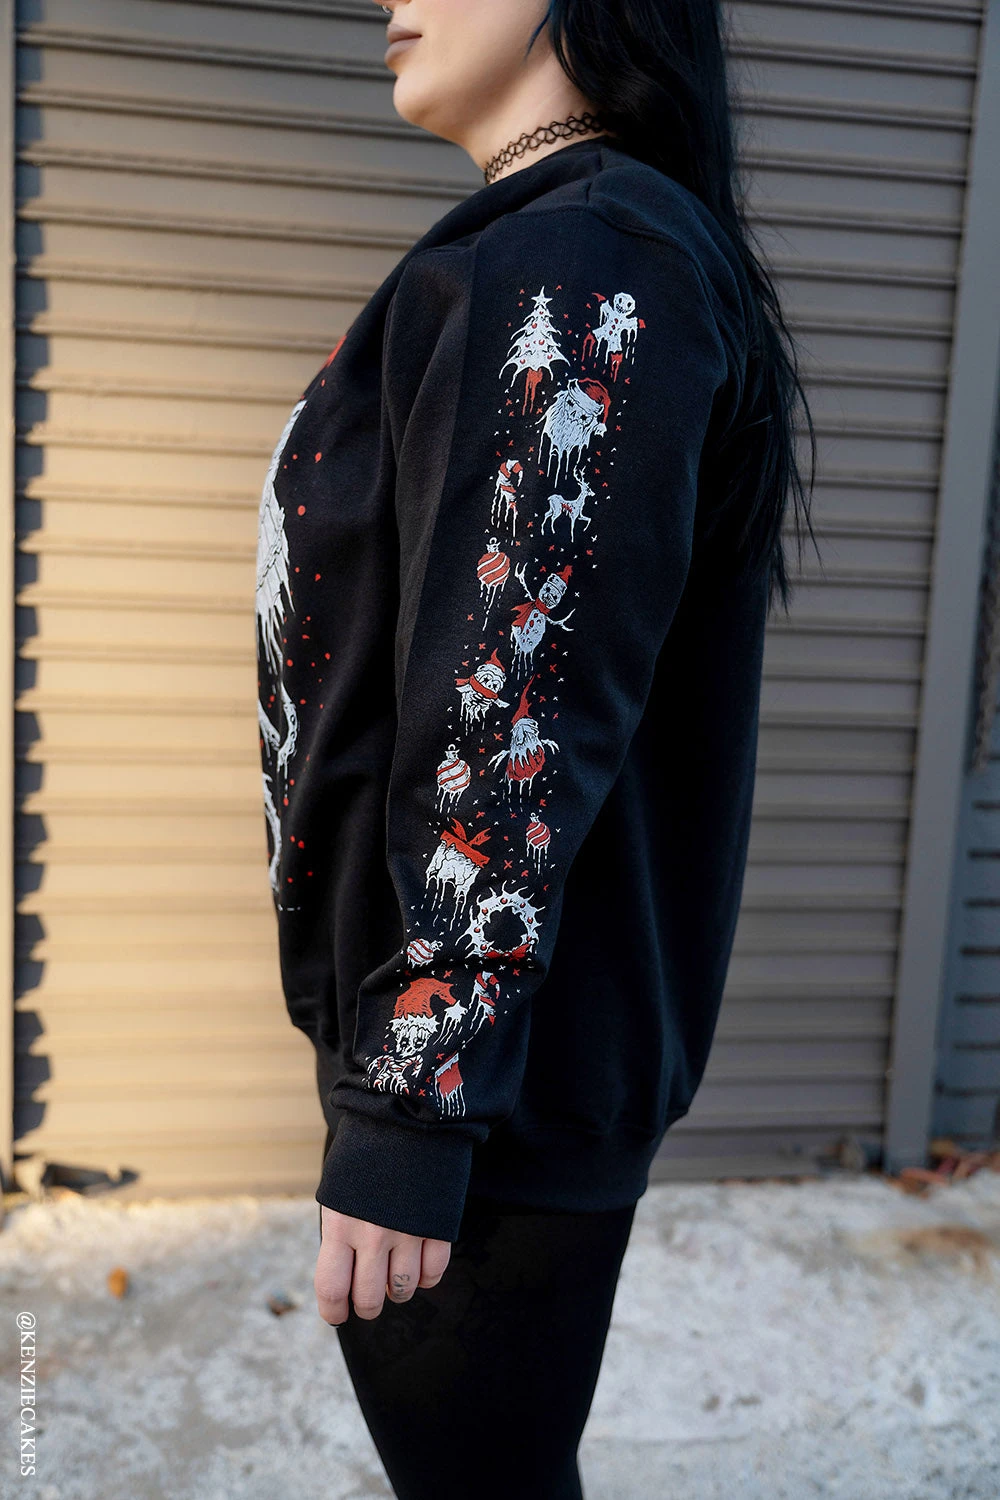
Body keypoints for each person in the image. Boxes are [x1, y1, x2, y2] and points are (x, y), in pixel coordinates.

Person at [254, 1, 815, 1495]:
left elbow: (513, 711)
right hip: (481, 1057)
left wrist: (415, 1099)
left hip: (487, 1086)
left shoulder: (588, 261)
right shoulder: (562, 243)